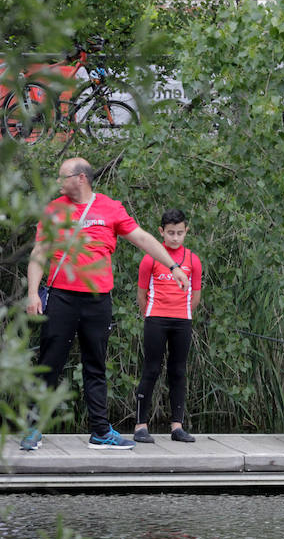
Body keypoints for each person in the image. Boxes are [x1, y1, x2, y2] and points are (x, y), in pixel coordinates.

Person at [22, 157, 190, 451]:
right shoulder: (54, 209)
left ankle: (100, 431)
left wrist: (173, 267)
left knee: (95, 365)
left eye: (63, 177)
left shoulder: (110, 208)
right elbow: (39, 253)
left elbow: (142, 238)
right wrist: (34, 293)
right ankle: (34, 428)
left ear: (81, 178)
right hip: (61, 297)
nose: (59, 183)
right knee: (49, 363)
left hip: (98, 301)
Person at [133, 209, 202, 444]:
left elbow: (195, 295)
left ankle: (177, 426)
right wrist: (152, 315)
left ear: (186, 232)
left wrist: (183, 313)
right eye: (170, 233)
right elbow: (141, 295)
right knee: (151, 369)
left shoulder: (193, 259)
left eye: (179, 233)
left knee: (178, 371)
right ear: (161, 232)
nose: (175, 238)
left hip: (182, 319)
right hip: (156, 319)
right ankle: (141, 425)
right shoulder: (150, 258)